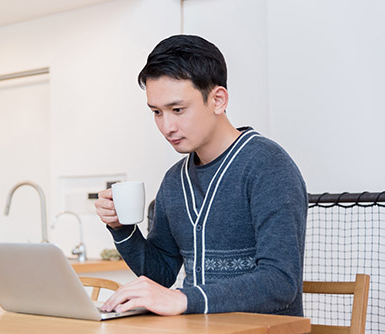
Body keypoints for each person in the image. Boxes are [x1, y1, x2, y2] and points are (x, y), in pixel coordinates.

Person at [95, 34, 307, 317]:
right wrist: (122, 229)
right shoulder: (174, 181)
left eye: (177, 109)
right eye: (157, 112)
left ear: (218, 100)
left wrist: (183, 300)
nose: (166, 126)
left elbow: (280, 282)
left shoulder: (268, 166)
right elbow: (160, 274)